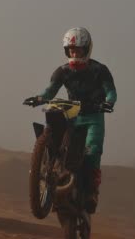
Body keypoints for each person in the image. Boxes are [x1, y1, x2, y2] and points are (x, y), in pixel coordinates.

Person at [23, 27, 117, 213]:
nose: (75, 53)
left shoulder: (100, 70)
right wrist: (38, 98)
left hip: (93, 117)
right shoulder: (62, 71)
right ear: (67, 51)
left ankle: (92, 192)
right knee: (57, 139)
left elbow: (110, 91)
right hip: (72, 114)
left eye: (78, 50)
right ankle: (50, 172)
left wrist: (108, 103)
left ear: (86, 49)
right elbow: (50, 90)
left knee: (93, 150)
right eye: (71, 50)